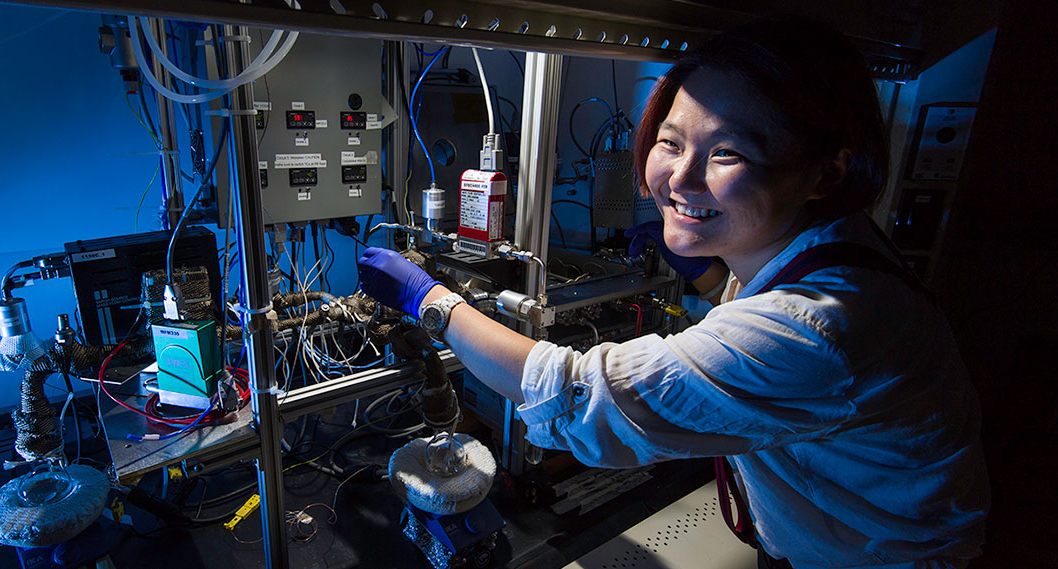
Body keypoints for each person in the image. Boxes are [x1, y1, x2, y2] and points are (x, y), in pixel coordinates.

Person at [357, 17, 988, 569]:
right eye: (671, 141)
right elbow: (756, 319)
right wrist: (707, 276)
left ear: (826, 171)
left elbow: (575, 391)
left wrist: (429, 299)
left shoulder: (822, 327)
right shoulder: (825, 244)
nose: (681, 180)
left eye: (729, 153)